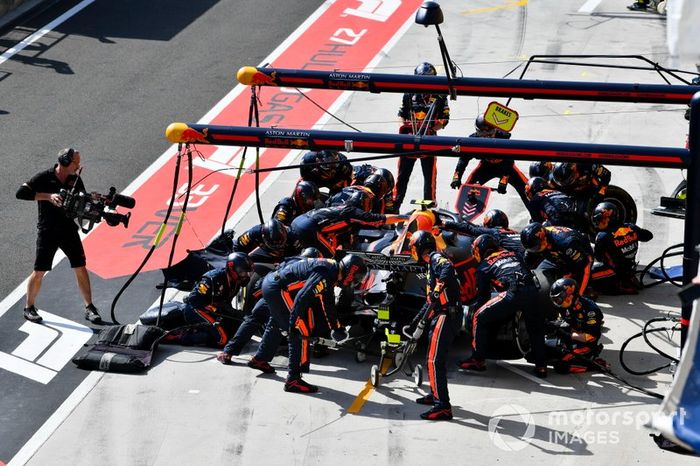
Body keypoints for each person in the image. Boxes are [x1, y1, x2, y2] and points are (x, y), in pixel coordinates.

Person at [253, 255, 367, 393]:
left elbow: (328, 304)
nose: (355, 282)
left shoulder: (332, 272)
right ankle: (293, 380)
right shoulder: (326, 274)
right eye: (356, 277)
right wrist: (293, 323)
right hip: (279, 289)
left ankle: (260, 359)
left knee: (277, 323)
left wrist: (337, 328)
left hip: (274, 286)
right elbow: (303, 297)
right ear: (351, 272)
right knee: (300, 332)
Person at [15, 148, 102, 324]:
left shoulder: (75, 179)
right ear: (64, 162)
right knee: (40, 270)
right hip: (48, 230)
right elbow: (21, 193)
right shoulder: (44, 177)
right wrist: (47, 196)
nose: (79, 166)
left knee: (80, 266)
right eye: (76, 162)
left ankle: (90, 307)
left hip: (68, 229)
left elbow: (81, 202)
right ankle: (29, 307)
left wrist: (91, 201)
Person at [459, 234, 546, 378]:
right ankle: (541, 366)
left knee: (479, 316)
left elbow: (483, 298)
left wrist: (486, 313)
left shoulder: (484, 266)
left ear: (480, 250)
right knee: (536, 329)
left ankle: (478, 360)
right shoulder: (514, 254)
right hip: (533, 291)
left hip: (514, 292)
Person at [216, 247, 322, 364]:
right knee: (276, 324)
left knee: (253, 319)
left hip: (270, 292)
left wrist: (258, 294)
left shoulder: (289, 261)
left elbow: (270, 276)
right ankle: (262, 360)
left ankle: (228, 352)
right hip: (283, 299)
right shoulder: (313, 271)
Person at [405, 230, 461, 420]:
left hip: (447, 315)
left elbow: (448, 270)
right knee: (432, 358)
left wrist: (438, 289)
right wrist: (414, 323)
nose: (411, 249)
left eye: (412, 246)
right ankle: (435, 395)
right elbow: (430, 301)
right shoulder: (431, 264)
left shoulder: (437, 258)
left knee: (435, 360)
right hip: (441, 315)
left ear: (420, 246)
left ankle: (443, 406)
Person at [392, 62, 450, 212]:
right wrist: (404, 129)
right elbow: (401, 114)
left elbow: (445, 118)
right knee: (402, 176)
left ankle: (429, 207)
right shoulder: (409, 93)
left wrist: (431, 128)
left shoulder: (440, 95)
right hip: (409, 139)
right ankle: (395, 205)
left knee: (429, 177)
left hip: (429, 140)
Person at [175, 252, 253, 348]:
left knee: (240, 326)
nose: (245, 275)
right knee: (222, 340)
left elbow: (226, 303)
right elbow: (193, 300)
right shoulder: (211, 279)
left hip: (214, 310)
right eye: (242, 272)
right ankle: (181, 336)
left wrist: (239, 315)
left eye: (246, 272)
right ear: (232, 268)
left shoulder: (235, 283)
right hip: (196, 309)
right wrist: (214, 309)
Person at [450, 115, 529, 206]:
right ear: (477, 132)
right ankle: (466, 212)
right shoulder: (472, 141)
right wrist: (457, 176)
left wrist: (504, 180)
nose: (487, 138)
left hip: (506, 166)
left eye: (490, 134)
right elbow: (463, 159)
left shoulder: (503, 138)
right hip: (485, 166)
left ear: (495, 130)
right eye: (483, 135)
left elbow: (509, 161)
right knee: (467, 191)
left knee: (528, 191)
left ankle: (537, 217)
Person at [290, 197, 405, 258]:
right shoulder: (352, 212)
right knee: (331, 259)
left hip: (297, 221)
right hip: (308, 227)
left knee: (319, 253)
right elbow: (380, 219)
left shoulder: (339, 207)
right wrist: (406, 217)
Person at [590, 202, 653, 295]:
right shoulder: (630, 227)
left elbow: (598, 257)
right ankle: (627, 279)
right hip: (630, 268)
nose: (598, 222)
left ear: (609, 218)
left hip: (614, 273)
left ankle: (618, 287)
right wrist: (634, 233)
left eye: (600, 219)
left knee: (583, 275)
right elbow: (648, 236)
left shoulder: (603, 236)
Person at [520, 222, 594, 297]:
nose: (534, 251)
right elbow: (528, 259)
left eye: (535, 248)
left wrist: (579, 294)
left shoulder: (566, 243)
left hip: (581, 257)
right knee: (541, 272)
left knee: (570, 291)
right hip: (558, 257)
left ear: (544, 239)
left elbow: (586, 266)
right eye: (532, 249)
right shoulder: (536, 243)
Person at [547, 277, 604, 374]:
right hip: (571, 337)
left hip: (586, 345)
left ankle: (593, 366)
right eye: (555, 299)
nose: (557, 302)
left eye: (559, 299)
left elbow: (591, 337)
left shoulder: (590, 311)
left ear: (570, 296)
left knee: (561, 367)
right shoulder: (565, 306)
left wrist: (568, 335)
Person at [441, 209, 524, 257]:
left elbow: (471, 230)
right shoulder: (515, 232)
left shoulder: (495, 232)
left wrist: (446, 224)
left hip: (519, 260)